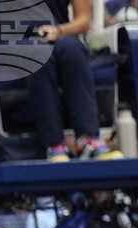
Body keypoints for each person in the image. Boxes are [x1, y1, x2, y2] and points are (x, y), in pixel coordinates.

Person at [29, 0, 122, 161]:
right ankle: (54, 145)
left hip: (57, 34)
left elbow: (83, 20)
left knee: (72, 49)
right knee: (39, 52)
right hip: (15, 40)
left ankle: (88, 139)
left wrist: (59, 31)